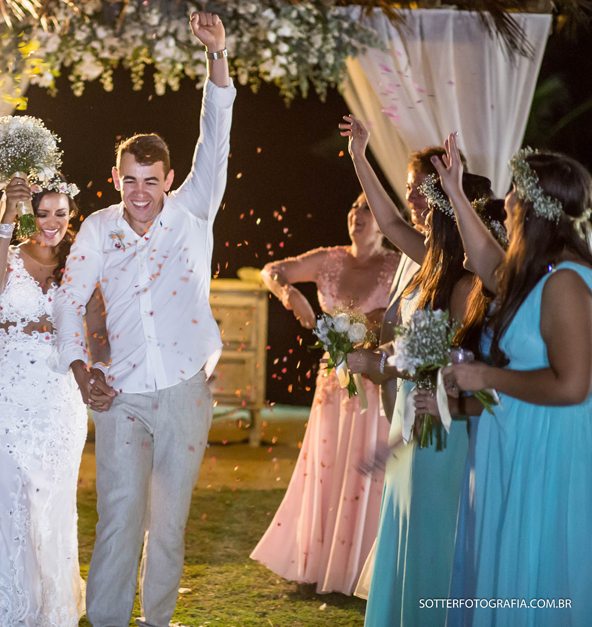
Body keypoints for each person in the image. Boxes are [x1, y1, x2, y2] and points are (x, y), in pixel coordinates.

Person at [53, 12, 233, 627]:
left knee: (170, 524)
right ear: (115, 178)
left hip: (185, 390)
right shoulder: (97, 229)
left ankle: (157, 621)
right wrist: (81, 371)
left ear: (169, 180)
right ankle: (104, 620)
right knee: (119, 516)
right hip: (121, 394)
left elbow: (216, 138)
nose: (139, 192)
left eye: (150, 181)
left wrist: (217, 56)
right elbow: (68, 301)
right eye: (129, 180)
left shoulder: (194, 212)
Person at [340, 115, 492, 626]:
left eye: (426, 197)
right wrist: (359, 156)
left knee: (431, 537)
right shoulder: (430, 260)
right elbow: (387, 221)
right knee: (404, 529)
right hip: (409, 413)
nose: (416, 208)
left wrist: (382, 363)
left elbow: (455, 359)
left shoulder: (466, 282)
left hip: (439, 419)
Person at [434, 135, 592, 626]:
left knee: (536, 569)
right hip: (517, 437)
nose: (505, 202)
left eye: (514, 193)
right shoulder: (538, 274)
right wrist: (454, 192)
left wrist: (486, 375)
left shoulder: (566, 282)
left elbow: (573, 386)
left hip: (549, 447)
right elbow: (486, 261)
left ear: (532, 208)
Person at [0, 175, 95, 626]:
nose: (52, 223)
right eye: (42, 214)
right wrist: (6, 216)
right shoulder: (9, 252)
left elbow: (96, 322)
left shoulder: (79, 263)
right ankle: (4, 613)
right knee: (2, 497)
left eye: (61, 213)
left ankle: (48, 612)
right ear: (28, 215)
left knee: (50, 502)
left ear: (72, 215)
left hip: (58, 398)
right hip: (5, 390)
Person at [249, 194, 399, 595]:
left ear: (386, 218)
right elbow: (271, 270)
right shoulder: (329, 259)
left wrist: (379, 325)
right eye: (353, 207)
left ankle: (360, 569)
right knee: (327, 466)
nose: (356, 214)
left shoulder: (397, 264)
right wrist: (289, 294)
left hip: (374, 382)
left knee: (366, 469)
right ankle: (320, 564)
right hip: (333, 383)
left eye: (367, 208)